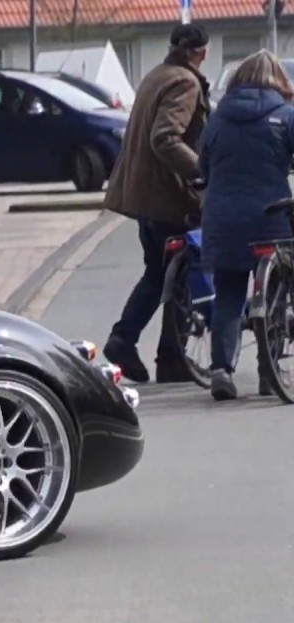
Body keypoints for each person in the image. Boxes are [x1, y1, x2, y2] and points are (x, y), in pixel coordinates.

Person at [102, 23, 212, 384]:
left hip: (145, 195)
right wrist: (200, 173)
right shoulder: (185, 82)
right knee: (182, 273)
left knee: (159, 272)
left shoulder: (157, 75)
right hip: (168, 197)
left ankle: (138, 344)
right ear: (203, 53)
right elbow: (165, 137)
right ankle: (164, 354)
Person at [197, 50, 294, 400]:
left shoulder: (217, 120)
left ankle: (222, 368)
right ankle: (271, 370)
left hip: (224, 219)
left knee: (228, 295)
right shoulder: (286, 115)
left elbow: (203, 167)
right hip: (273, 216)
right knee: (279, 290)